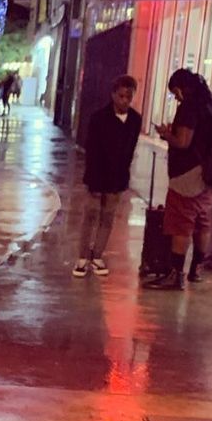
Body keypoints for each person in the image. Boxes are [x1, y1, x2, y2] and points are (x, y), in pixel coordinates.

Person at [146, 68, 212, 290]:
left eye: (175, 93)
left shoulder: (190, 106)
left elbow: (183, 142)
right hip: (211, 173)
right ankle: (195, 269)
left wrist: (166, 134)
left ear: (181, 88)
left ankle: (175, 274)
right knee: (202, 220)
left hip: (188, 174)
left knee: (181, 223)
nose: (176, 98)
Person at [72, 74, 142, 278]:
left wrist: (124, 177)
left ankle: (97, 255)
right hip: (98, 175)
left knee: (108, 217)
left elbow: (130, 150)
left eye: (129, 97)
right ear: (113, 95)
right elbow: (92, 150)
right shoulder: (99, 118)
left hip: (118, 177)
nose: (125, 101)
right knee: (91, 215)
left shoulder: (135, 120)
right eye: (121, 96)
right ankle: (82, 257)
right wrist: (92, 180)